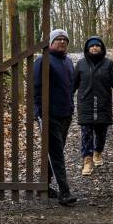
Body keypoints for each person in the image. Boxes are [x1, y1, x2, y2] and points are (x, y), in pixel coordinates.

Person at [73, 35, 113, 176]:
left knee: (101, 132)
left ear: (102, 48)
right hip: (86, 104)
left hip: (103, 103)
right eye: (91, 46)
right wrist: (67, 96)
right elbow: (73, 83)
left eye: (97, 45)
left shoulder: (108, 64)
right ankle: (87, 161)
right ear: (87, 48)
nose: (94, 47)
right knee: (86, 133)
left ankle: (98, 152)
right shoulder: (80, 64)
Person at [34, 29, 77, 206]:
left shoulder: (67, 61)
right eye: (57, 39)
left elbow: (69, 87)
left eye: (64, 39)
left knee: (53, 152)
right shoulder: (42, 61)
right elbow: (36, 88)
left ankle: (43, 186)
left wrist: (71, 107)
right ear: (50, 42)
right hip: (48, 114)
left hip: (65, 114)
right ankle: (64, 193)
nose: (61, 42)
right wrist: (38, 111)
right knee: (57, 153)